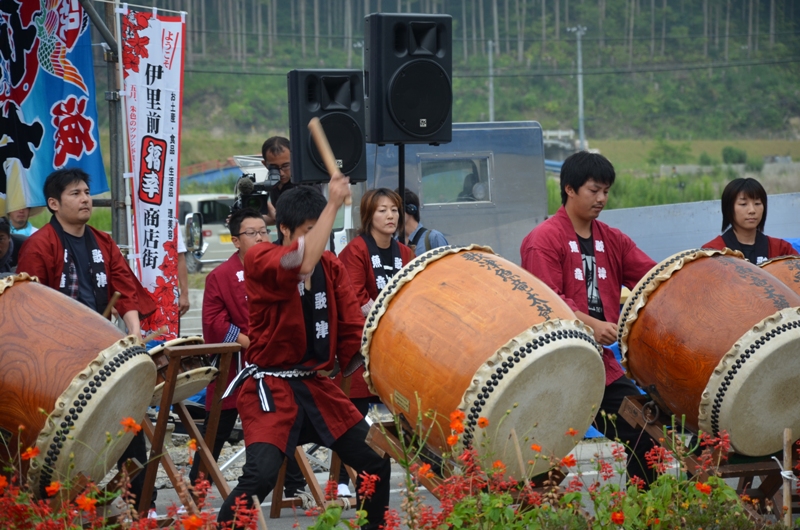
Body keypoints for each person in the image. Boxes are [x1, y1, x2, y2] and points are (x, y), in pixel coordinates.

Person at [216, 180, 390, 528]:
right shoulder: (261, 258)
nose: (317, 239)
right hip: (272, 388)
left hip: (315, 387)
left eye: (319, 231)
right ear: (283, 228)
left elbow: (353, 325)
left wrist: (377, 360)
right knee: (260, 475)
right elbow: (301, 261)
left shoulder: (331, 265)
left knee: (375, 459)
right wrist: (333, 206)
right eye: (309, 231)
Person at [16, 168, 158, 511]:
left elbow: (124, 289)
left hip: (102, 354)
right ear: (53, 203)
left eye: (86, 192)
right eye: (75, 194)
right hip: (56, 362)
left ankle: (142, 502)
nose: (85, 199)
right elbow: (31, 308)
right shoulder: (39, 246)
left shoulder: (103, 241)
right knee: (63, 439)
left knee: (128, 422)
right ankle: (58, 505)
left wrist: (135, 332)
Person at [519, 151, 657, 484]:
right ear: (569, 188)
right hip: (556, 367)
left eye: (606, 191)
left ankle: (644, 516)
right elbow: (548, 304)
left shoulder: (612, 239)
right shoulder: (543, 240)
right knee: (534, 462)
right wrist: (593, 325)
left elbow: (653, 278)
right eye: (594, 190)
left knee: (645, 436)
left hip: (598, 368)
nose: (602, 198)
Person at [335, 188, 414, 496]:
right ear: (368, 216)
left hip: (394, 346)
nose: (391, 215)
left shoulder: (405, 253)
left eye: (394, 209)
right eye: (382, 210)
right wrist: (386, 316)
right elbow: (352, 296)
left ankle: (426, 468)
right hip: (360, 345)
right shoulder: (356, 250)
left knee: (410, 412)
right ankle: (342, 479)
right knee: (351, 415)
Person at [702, 177, 798, 264]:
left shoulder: (782, 250)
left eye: (757, 203)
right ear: (728, 208)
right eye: (743, 204)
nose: (752, 210)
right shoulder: (713, 252)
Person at [398, 189, 448, 255]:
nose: (391, 215)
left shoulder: (434, 238)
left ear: (410, 209)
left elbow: (448, 264)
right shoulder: (395, 242)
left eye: (395, 209)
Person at [259, 136, 294, 225]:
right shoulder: (274, 182)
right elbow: (276, 218)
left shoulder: (304, 185)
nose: (281, 173)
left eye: (286, 165)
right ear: (265, 164)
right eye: (274, 167)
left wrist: (268, 207)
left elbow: (290, 222)